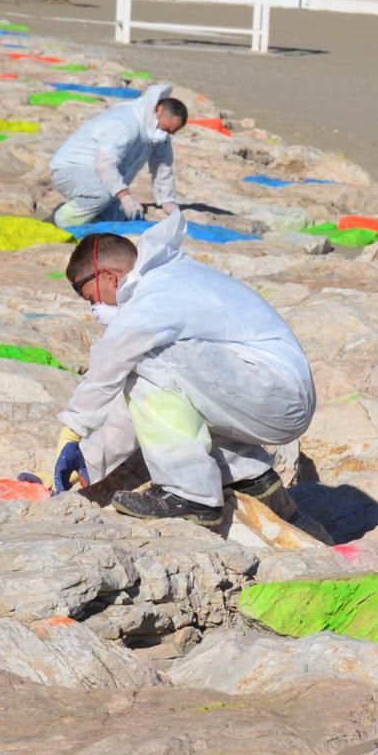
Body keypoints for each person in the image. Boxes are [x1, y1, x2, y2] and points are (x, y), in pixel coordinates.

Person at [51, 212, 316, 527]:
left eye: (92, 299)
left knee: (146, 359)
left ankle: (190, 494)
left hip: (274, 391)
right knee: (166, 376)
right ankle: (250, 476)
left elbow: (110, 368)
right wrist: (90, 461)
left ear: (109, 276)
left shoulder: (154, 296)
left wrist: (72, 431)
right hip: (271, 391)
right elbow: (148, 404)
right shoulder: (172, 276)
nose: (95, 311)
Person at [49, 83, 186, 229]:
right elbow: (105, 163)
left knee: (119, 215)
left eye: (171, 132)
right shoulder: (125, 123)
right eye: (165, 128)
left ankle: (86, 223)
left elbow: (162, 164)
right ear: (158, 110)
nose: (166, 134)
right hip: (71, 169)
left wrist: (166, 199)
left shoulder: (157, 132)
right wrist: (124, 195)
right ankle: (59, 222)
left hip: (101, 176)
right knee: (102, 195)